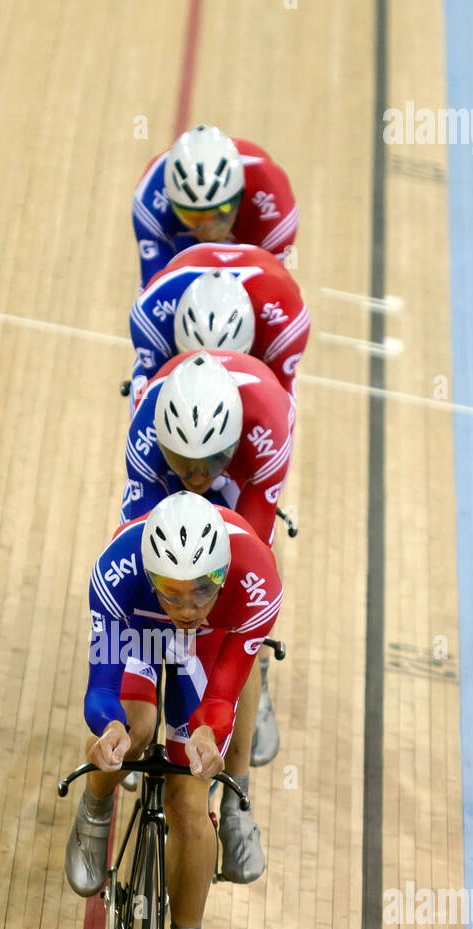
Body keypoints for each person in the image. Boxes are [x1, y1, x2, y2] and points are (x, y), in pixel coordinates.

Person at [64, 492, 282, 929]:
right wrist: (108, 728)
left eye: (202, 591)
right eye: (174, 594)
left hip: (210, 649)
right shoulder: (118, 571)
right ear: (150, 574)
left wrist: (209, 733)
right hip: (140, 630)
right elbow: (102, 688)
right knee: (133, 732)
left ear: (224, 573)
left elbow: (224, 692)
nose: (187, 608)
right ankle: (94, 812)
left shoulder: (256, 579)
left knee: (189, 800)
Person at [123, 350, 291, 779]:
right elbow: (136, 540)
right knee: (166, 563)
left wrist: (215, 619)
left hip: (244, 473)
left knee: (235, 608)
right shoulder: (147, 426)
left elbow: (252, 554)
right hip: (176, 475)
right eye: (184, 464)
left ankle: (239, 797)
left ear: (231, 442)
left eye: (210, 463)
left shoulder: (266, 423)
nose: (198, 479)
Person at [128, 246, 310, 411]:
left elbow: (282, 403)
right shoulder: (149, 315)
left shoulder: (287, 328)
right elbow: (151, 392)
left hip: (269, 286)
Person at [132, 124, 298, 288]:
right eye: (192, 217)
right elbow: (154, 289)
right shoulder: (148, 204)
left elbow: (271, 288)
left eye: (221, 212)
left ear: (240, 194)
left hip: (249, 233)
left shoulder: (276, 212)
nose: (209, 232)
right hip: (186, 242)